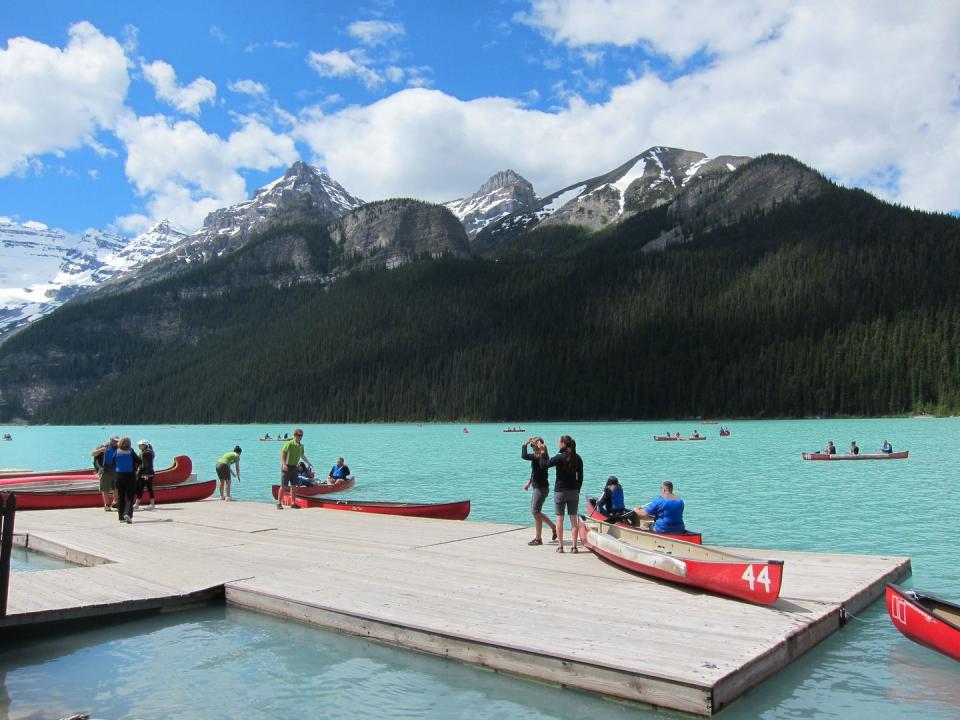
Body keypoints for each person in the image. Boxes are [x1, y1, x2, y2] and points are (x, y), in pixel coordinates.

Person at [546, 435, 583, 553]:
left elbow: (545, 464)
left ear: (563, 444)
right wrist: (577, 489)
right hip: (573, 492)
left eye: (559, 442)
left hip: (560, 492)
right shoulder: (577, 458)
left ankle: (561, 547)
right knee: (573, 520)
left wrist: (542, 451)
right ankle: (574, 547)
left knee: (559, 520)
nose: (557, 444)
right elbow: (581, 477)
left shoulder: (559, 457)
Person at [521, 437, 556, 546]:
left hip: (541, 488)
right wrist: (529, 483)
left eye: (534, 445)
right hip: (537, 487)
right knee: (536, 511)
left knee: (535, 512)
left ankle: (538, 539)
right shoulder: (536, 456)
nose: (533, 448)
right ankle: (553, 527)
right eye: (532, 446)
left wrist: (540, 449)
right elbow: (534, 471)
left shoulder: (543, 456)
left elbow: (539, 462)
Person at [279, 429, 311, 509]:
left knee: (294, 486)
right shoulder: (289, 443)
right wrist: (284, 464)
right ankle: (279, 503)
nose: (300, 437)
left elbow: (302, 455)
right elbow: (282, 454)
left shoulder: (301, 446)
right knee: (283, 486)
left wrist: (308, 462)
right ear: (295, 435)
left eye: (301, 435)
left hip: (294, 467)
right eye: (299, 435)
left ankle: (293, 503)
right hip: (286, 466)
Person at [114, 436, 141, 524]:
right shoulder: (131, 451)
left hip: (119, 476)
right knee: (130, 497)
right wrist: (136, 467)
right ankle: (127, 514)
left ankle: (120, 517)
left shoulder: (116, 451)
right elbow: (139, 461)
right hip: (130, 476)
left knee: (120, 497)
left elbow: (113, 462)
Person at [92, 435, 119, 511]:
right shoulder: (103, 446)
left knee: (116, 487)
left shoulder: (118, 447)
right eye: (114, 440)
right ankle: (107, 505)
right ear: (110, 439)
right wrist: (100, 450)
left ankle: (116, 502)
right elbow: (92, 453)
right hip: (104, 470)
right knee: (105, 488)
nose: (115, 442)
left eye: (117, 441)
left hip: (116, 470)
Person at [135, 440, 156, 510]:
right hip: (147, 473)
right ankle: (137, 504)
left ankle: (152, 504)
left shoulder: (146, 453)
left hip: (146, 474)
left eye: (140, 445)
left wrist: (145, 473)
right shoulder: (148, 451)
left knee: (146, 488)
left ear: (144, 445)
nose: (139, 446)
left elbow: (146, 464)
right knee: (142, 488)